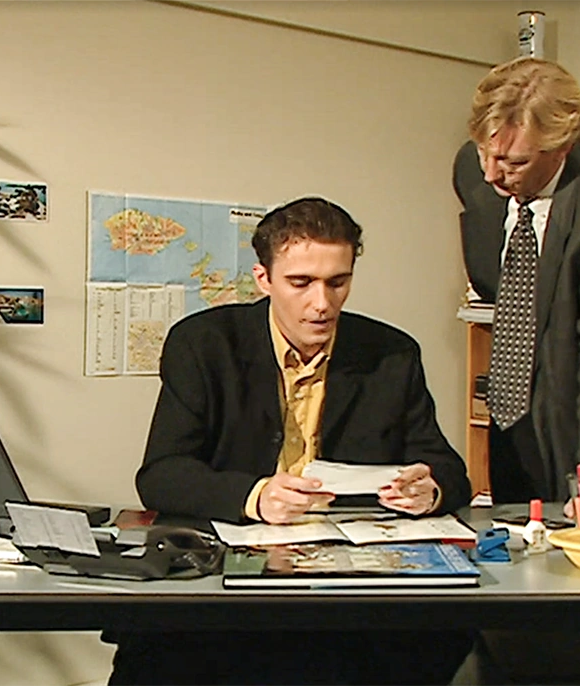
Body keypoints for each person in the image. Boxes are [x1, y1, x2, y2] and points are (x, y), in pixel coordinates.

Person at [106, 197, 473, 686]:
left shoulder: (391, 353)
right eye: (301, 283)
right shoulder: (204, 344)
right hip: (228, 571)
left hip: (350, 579)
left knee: (445, 634)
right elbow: (162, 475)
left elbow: (447, 469)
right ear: (264, 279)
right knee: (170, 653)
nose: (322, 303)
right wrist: (255, 495)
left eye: (337, 282)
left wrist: (430, 489)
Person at [453, 56, 580, 504]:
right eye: (485, 153)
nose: (491, 174)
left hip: (577, 424)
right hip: (509, 415)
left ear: (562, 148)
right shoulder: (476, 172)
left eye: (513, 161)